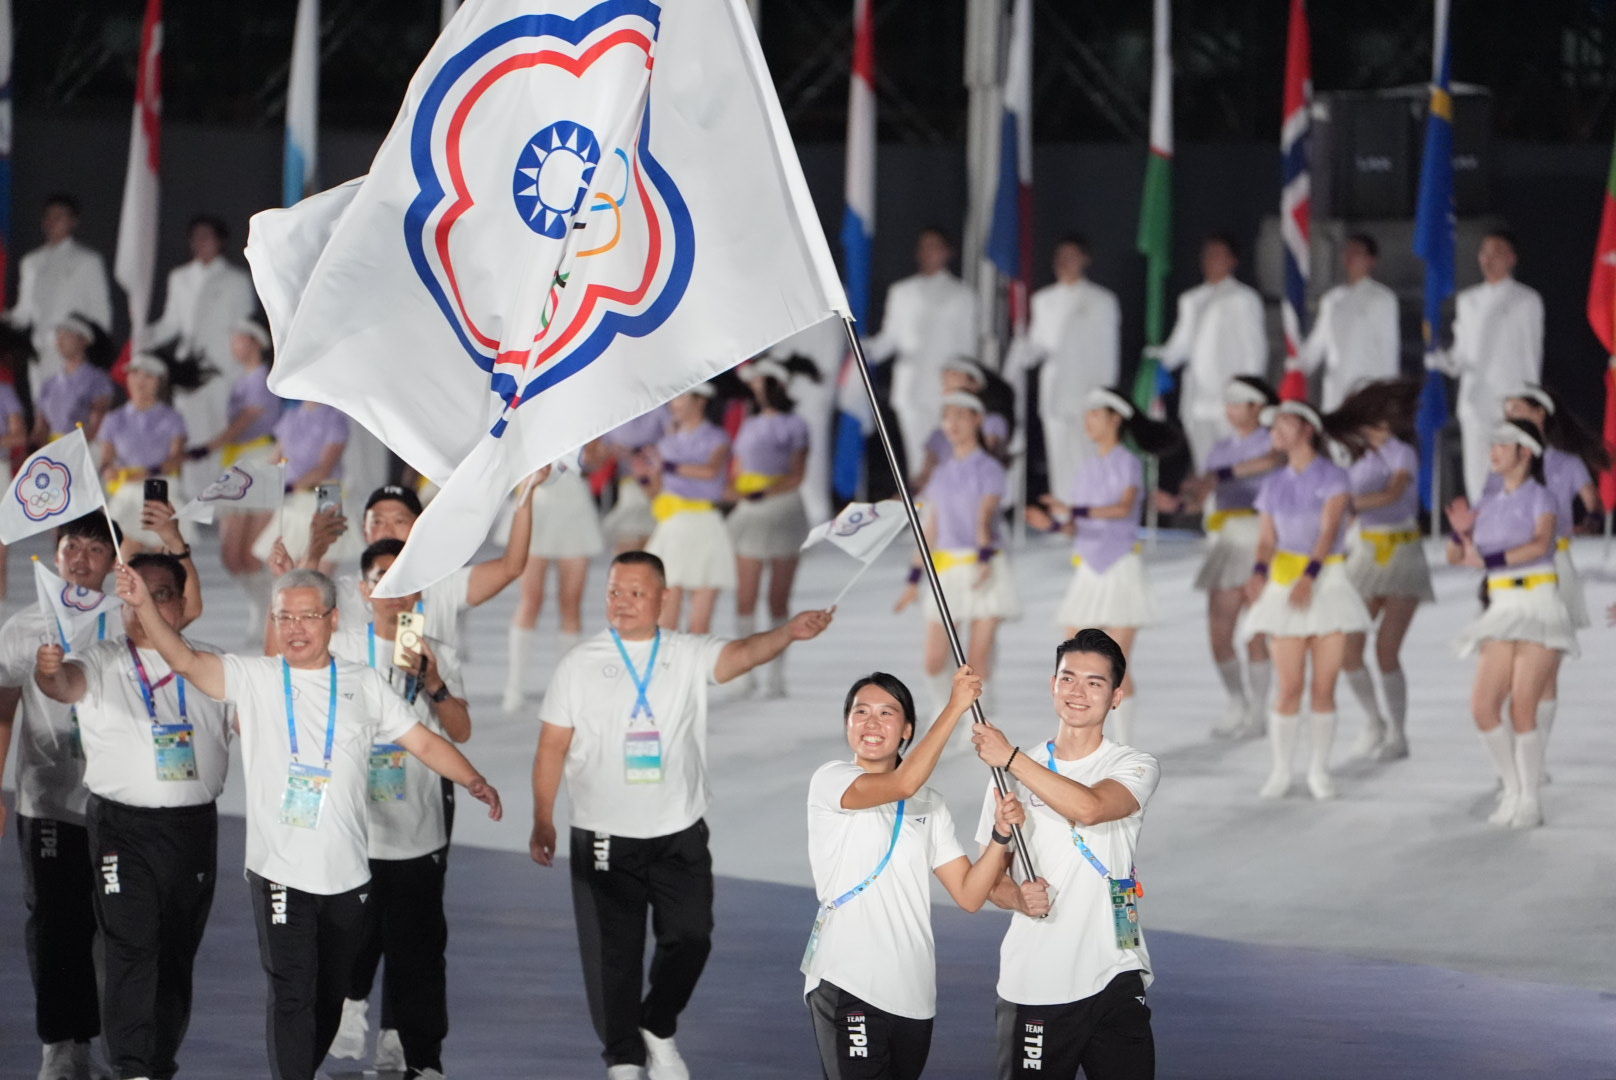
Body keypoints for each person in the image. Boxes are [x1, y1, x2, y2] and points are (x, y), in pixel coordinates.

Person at [114, 564, 502, 1080]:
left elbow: (423, 741)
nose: (295, 627)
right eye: (284, 617)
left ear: (333, 619)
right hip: (280, 872)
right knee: (292, 992)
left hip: (346, 876)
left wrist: (473, 779)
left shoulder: (363, 683)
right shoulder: (256, 677)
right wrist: (143, 605)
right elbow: (185, 659)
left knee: (326, 1001)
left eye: (307, 616)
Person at [528, 551, 834, 1080]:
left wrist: (788, 632)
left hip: (678, 831)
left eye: (636, 593)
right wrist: (543, 817)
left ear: (664, 599)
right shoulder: (579, 664)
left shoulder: (686, 653)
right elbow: (552, 747)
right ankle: (623, 1059)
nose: (622, 602)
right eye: (614, 591)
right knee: (613, 958)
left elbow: (740, 654)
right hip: (603, 833)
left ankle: (658, 1024)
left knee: (691, 937)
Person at [32, 553, 231, 1080]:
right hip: (123, 828)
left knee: (174, 952)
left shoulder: (212, 664)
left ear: (181, 603)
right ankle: (132, 1065)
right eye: (132, 595)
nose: (140, 605)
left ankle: (158, 1060)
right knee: (130, 946)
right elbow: (64, 686)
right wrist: (47, 673)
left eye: (158, 593)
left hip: (191, 831)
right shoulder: (101, 659)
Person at [803, 666, 1030, 1080]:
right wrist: (955, 706)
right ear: (847, 723)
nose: (871, 723)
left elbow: (968, 894)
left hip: (913, 993)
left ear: (907, 729)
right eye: (860, 712)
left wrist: (999, 837)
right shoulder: (831, 781)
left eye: (887, 714)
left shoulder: (930, 804)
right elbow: (904, 782)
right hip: (848, 979)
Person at [966, 629, 1160, 1080]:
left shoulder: (1133, 765)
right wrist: (1017, 899)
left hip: (1116, 972)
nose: (1078, 692)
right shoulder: (1006, 777)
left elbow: (1090, 808)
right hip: (1036, 981)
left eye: (1094, 682)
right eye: (1067, 678)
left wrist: (1010, 757)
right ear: (1052, 684)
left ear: (1116, 696)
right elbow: (990, 880)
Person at [327, 539, 471, 1080]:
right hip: (353, 829)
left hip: (417, 830)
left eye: (404, 581)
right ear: (366, 591)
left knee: (420, 954)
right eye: (382, 580)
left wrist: (433, 682)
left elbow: (460, 731)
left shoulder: (438, 652)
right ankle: (343, 1015)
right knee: (350, 941)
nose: (394, 592)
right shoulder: (339, 647)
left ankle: (423, 1061)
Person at [0, 515, 123, 1079]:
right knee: (54, 922)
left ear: (112, 562)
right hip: (47, 797)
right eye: (72, 547)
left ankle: (89, 1042)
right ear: (55, 554)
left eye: (96, 550)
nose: (80, 559)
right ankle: (59, 1046)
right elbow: (2, 711)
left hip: (117, 800)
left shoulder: (128, 624)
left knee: (109, 924)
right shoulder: (25, 628)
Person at [1028, 387, 1179, 745]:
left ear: (1116, 418)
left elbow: (1123, 508)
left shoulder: (1128, 461)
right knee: (1075, 659)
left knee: (1116, 663)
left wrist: (1071, 510)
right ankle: (1081, 738)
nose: (1087, 421)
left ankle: (1122, 743)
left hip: (1120, 567)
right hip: (1089, 570)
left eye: (1095, 414)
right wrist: (1050, 523)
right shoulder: (1088, 467)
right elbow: (1076, 525)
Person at [1444, 419, 1570, 829]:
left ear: (1526, 452)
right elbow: (1458, 557)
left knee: (1522, 705)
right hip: (1501, 604)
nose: (1494, 450)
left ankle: (1530, 799)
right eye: (1493, 443)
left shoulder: (1542, 497)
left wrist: (1486, 559)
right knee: (1482, 706)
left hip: (1539, 601)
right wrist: (1460, 535)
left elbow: (1540, 543)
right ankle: (1514, 787)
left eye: (1505, 444)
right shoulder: (1490, 501)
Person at [1243, 401, 1371, 800]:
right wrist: (1259, 572)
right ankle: (1281, 770)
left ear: (1307, 428)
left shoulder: (1333, 476)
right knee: (1290, 685)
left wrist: (1310, 576)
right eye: (1273, 425)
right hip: (1286, 583)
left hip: (1326, 582)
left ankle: (1319, 770)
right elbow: (1266, 540)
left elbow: (1329, 530)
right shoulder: (1273, 483)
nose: (1274, 432)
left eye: (1283, 423)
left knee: (1323, 686)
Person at [1320, 380, 1432, 762]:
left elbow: (1394, 494)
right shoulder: (1356, 459)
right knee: (1349, 649)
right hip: (1366, 555)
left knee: (1387, 648)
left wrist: (1346, 503)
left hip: (1403, 554)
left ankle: (1399, 733)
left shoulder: (1402, 454)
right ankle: (1374, 722)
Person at [1497, 384, 1604, 774]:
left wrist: (1588, 521)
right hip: (1510, 572)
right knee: (1509, 668)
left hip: (1554, 567)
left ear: (1540, 414)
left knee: (1544, 669)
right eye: (1507, 409)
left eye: (1518, 408)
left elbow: (1592, 503)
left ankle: (1533, 758)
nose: (1510, 415)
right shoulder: (1503, 463)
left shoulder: (1565, 462)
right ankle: (1517, 756)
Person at [895, 392, 1020, 713]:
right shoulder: (942, 472)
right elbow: (931, 529)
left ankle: (976, 718)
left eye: (961, 416)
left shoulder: (989, 469)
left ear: (977, 420)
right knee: (934, 661)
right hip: (947, 571)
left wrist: (983, 560)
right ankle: (944, 712)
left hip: (983, 565)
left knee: (976, 658)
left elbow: (984, 520)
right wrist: (912, 580)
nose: (952, 423)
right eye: (948, 416)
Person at [1181, 376, 1282, 737]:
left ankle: (1259, 709)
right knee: (1220, 631)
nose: (1230, 409)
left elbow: (1271, 461)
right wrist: (1183, 501)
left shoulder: (1274, 440)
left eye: (1238, 402)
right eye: (1229, 402)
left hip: (1261, 536)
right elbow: (1204, 494)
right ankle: (1237, 701)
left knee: (1255, 631)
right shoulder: (1219, 447)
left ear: (1259, 407)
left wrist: (1219, 475)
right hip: (1225, 538)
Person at [329, 481, 537, 648]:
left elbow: (511, 567)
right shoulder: (344, 590)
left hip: (434, 699)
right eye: (377, 522)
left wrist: (525, 497)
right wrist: (315, 552)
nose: (387, 530)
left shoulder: (441, 584)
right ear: (364, 531)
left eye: (399, 521)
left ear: (419, 527)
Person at [145, 215, 259, 497]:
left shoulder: (235, 279)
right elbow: (172, 323)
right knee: (192, 432)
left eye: (207, 237)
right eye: (196, 237)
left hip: (223, 368)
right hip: (189, 369)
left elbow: (243, 325)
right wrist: (143, 335)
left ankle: (223, 498)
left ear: (220, 241)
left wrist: (241, 365)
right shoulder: (180, 277)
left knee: (220, 432)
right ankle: (197, 497)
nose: (201, 243)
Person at [1429, 230, 1544, 501]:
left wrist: (1530, 400)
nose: (1488, 259)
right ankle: (1481, 530)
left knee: (1513, 468)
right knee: (1478, 471)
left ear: (1511, 258)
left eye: (1496, 253)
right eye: (1484, 253)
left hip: (1511, 400)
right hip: (1475, 399)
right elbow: (1461, 356)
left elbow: (1531, 353)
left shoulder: (1526, 300)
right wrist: (1440, 360)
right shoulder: (1467, 300)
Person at [727, 357, 813, 697]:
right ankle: (745, 669)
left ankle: (776, 674)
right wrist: (739, 492)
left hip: (781, 509)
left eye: (760, 381)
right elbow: (737, 467)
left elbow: (797, 473)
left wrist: (765, 491)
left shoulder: (795, 425)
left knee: (778, 599)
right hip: (750, 509)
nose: (754, 386)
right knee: (745, 596)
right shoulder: (749, 423)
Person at [864, 227, 979, 472]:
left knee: (948, 459)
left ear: (947, 252)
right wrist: (862, 348)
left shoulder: (962, 294)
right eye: (924, 247)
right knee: (917, 461)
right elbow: (889, 340)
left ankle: (943, 510)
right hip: (910, 390)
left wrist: (964, 385)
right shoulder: (901, 292)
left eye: (935, 246)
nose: (928, 253)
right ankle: (921, 509)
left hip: (947, 392)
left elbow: (968, 348)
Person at [502, 448, 605, 714]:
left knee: (571, 602)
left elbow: (596, 458)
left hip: (573, 504)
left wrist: (593, 453)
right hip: (536, 498)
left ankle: (565, 689)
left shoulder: (586, 416)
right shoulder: (528, 410)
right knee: (530, 599)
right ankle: (514, 688)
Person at [201, 320, 285, 643]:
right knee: (232, 555)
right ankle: (259, 605)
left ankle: (265, 612)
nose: (233, 344)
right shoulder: (239, 380)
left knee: (252, 552)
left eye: (239, 338)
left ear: (256, 341)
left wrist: (209, 445)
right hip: (238, 462)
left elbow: (247, 419)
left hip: (260, 460)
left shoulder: (263, 379)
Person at [1157, 233, 1268, 470]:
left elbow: (1254, 350)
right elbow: (1179, 345)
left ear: (1232, 261)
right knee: (1204, 467)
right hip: (1197, 400)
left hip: (1230, 399)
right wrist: (1157, 363)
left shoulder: (1244, 298)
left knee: (1235, 466)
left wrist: (1250, 395)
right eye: (1207, 255)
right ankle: (1210, 508)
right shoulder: (1191, 299)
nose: (1211, 260)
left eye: (1218, 255)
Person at [1023, 236, 1122, 498]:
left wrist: (1106, 394)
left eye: (1071, 256)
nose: (1064, 262)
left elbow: (1108, 350)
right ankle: (1064, 515)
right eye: (1060, 256)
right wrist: (1023, 352)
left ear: (1084, 259)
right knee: (1058, 456)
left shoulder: (1101, 300)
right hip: (1054, 390)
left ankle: (1088, 514)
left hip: (1086, 389)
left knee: (1087, 456)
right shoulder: (1043, 300)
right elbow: (1038, 343)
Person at [644, 385, 735, 634]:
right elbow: (655, 491)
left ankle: (695, 673)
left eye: (681, 396)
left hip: (706, 523)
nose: (674, 404)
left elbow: (710, 471)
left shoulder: (717, 437)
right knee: (665, 620)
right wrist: (648, 476)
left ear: (701, 400)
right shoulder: (664, 443)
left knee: (700, 624)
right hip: (673, 526)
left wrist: (668, 466)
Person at [5, 194, 112, 397]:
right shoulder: (31, 262)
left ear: (73, 222)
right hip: (40, 351)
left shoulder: (87, 260)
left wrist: (93, 353)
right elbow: (23, 312)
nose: (52, 222)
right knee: (43, 415)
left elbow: (101, 313)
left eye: (59, 216)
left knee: (72, 419)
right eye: (49, 217)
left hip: (73, 351)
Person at [1291, 234, 1401, 412]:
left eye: (1357, 252)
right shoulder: (1332, 299)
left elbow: (1388, 348)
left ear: (1371, 260)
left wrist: (1388, 394)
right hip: (1336, 388)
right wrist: (1298, 365)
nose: (1350, 257)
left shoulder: (1382, 298)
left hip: (1368, 386)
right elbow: (1318, 343)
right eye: (1347, 252)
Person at [97, 353, 189, 555]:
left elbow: (176, 459)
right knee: (125, 554)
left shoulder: (172, 418)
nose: (140, 381)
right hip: (127, 490)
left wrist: (147, 472)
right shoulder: (114, 419)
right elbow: (106, 460)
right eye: (135, 374)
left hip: (161, 488)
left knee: (164, 557)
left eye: (148, 376)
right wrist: (108, 470)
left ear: (159, 382)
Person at [254, 399, 352, 571]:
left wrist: (289, 487)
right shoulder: (292, 415)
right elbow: (277, 456)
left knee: (321, 568)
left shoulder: (335, 418)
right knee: (284, 565)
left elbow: (325, 468)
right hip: (295, 494)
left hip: (327, 492)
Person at [911, 358, 1013, 492]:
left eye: (953, 378)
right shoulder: (939, 434)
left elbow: (989, 461)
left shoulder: (993, 422)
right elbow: (925, 475)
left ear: (975, 384)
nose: (947, 388)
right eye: (945, 384)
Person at [33, 314, 116, 443]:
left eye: (66, 335)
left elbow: (97, 424)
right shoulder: (49, 384)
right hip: (53, 454)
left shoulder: (97, 380)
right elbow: (41, 428)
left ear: (84, 340)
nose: (60, 340)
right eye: (58, 336)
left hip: (81, 450)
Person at [600, 407, 669, 553]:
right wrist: (626, 453)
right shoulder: (613, 412)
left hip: (661, 484)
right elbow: (602, 451)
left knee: (655, 546)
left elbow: (674, 438)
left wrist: (653, 454)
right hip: (630, 485)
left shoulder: (661, 407)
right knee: (628, 543)